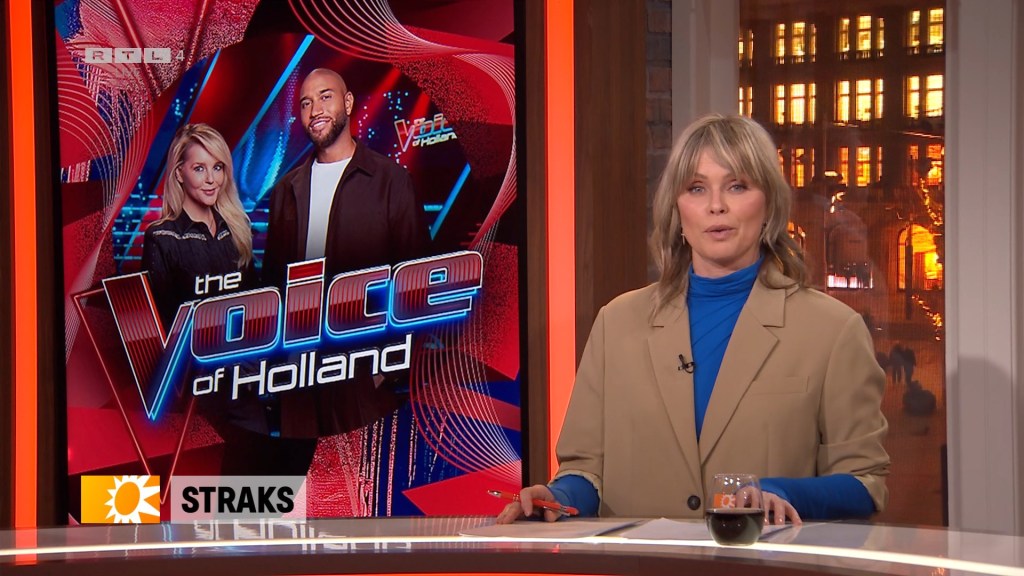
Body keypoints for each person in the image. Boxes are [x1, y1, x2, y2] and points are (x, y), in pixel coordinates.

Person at [497, 114, 889, 525]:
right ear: (677, 209)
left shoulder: (832, 330)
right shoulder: (617, 324)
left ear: (769, 205)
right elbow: (586, 472)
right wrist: (556, 497)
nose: (716, 205)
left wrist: (784, 492)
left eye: (737, 186)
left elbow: (864, 482)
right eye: (697, 188)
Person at [263, 68, 431, 438]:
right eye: (306, 103)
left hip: (363, 378)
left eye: (326, 97)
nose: (315, 110)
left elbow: (417, 280)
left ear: (349, 102)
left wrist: (387, 369)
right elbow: (273, 284)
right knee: (302, 475)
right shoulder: (286, 190)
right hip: (298, 379)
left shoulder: (389, 180)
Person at [142, 123, 312, 475]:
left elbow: (259, 307)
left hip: (247, 379)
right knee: (222, 479)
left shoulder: (237, 229)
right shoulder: (162, 238)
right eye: (199, 168)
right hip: (200, 389)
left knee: (267, 473)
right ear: (179, 174)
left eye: (217, 167)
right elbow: (164, 331)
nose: (210, 179)